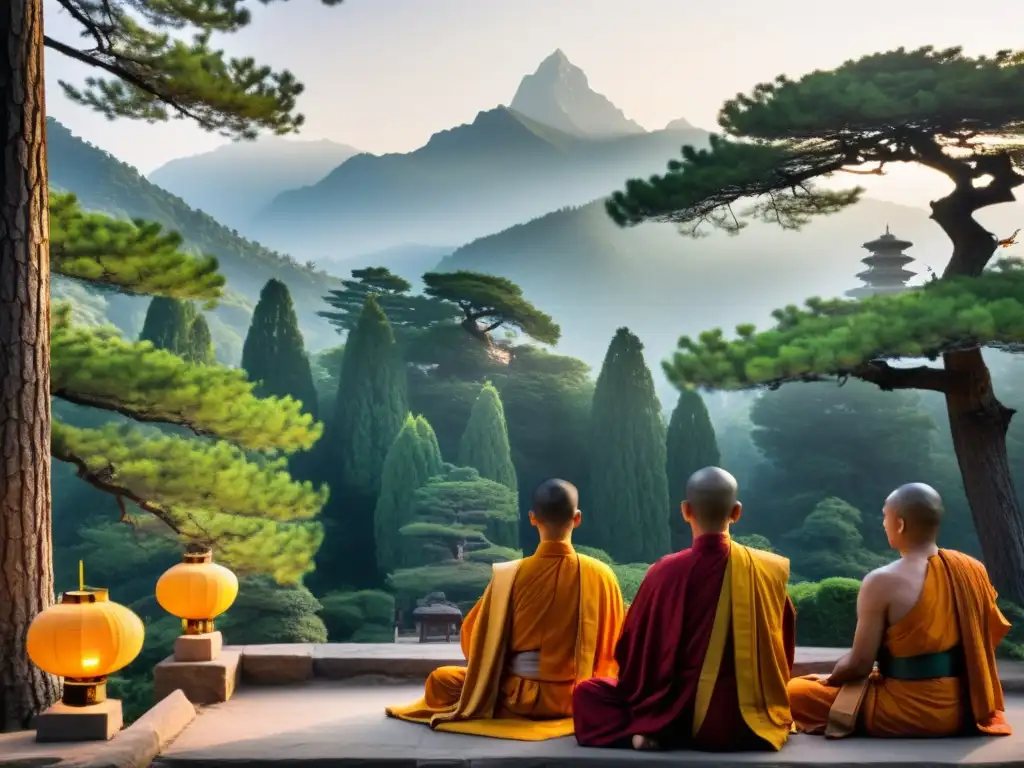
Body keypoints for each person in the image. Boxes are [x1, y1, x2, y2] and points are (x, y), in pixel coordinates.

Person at [573, 466, 795, 752]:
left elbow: (632, 650)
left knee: (587, 693)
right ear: (737, 512)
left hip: (675, 718)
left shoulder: (665, 571)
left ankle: (639, 735)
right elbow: (783, 645)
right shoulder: (767, 570)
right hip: (749, 722)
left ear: (686, 510)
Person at [385, 478, 625, 740]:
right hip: (578, 697)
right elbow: (619, 645)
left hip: (516, 697)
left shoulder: (510, 575)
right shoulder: (602, 576)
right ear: (577, 518)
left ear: (533, 518)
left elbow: (474, 640)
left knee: (441, 680)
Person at [788, 482, 1013, 738]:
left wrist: (832, 677)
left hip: (908, 708)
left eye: (886, 516)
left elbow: (859, 665)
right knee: (820, 680)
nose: (883, 524)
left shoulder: (882, 580)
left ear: (901, 524)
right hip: (967, 704)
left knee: (796, 691)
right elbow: (989, 635)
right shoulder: (972, 569)